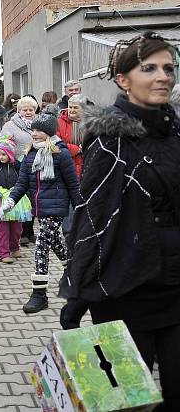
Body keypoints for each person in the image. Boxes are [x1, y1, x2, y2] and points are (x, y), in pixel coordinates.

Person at [60, 32, 180, 407]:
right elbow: (93, 218)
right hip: (126, 290)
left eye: (169, 68)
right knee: (129, 401)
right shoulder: (108, 140)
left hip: (177, 286)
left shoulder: (176, 132)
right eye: (150, 68)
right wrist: (78, 291)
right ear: (123, 80)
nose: (163, 76)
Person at [2, 113, 81, 314]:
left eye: (38, 130)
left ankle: (39, 294)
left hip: (56, 208)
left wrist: (80, 210)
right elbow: (22, 184)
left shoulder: (61, 154)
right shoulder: (30, 155)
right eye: (33, 130)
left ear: (49, 132)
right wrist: (11, 200)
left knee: (41, 244)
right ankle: (72, 273)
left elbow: (73, 185)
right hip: (39, 209)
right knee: (55, 243)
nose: (34, 134)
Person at [0, 96, 39, 246]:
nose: (28, 112)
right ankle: (21, 233)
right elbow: (3, 145)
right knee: (23, 198)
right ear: (19, 111)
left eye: (31, 109)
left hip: (36, 166)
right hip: (18, 166)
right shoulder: (10, 125)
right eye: (25, 110)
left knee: (33, 199)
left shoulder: (38, 124)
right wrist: (12, 160)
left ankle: (30, 232)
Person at [0, 136, 28, 264]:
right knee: (3, 229)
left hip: (16, 200)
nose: (1, 157)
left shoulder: (18, 167)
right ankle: (3, 253)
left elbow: (24, 182)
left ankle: (14, 248)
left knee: (17, 227)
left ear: (11, 153)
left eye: (4, 154)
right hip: (1, 201)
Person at [56, 94, 87, 177]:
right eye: (70, 107)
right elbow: (56, 143)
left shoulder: (90, 122)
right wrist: (76, 149)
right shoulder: (59, 122)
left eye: (76, 107)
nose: (72, 110)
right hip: (66, 164)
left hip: (87, 164)